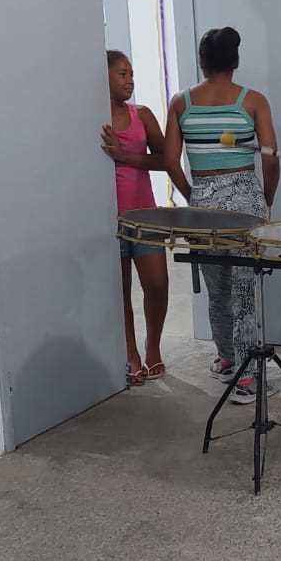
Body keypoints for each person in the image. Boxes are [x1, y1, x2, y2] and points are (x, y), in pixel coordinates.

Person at [164, 27, 280, 404]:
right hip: (245, 200)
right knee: (245, 290)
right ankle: (247, 378)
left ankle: (226, 358)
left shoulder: (181, 103)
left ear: (202, 60)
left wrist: (194, 195)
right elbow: (269, 156)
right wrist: (266, 198)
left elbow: (169, 160)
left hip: (204, 205)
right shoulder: (253, 101)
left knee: (218, 289)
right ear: (235, 61)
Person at [100, 50, 169, 387]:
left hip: (145, 215)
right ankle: (131, 354)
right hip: (108, 220)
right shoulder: (93, 120)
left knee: (157, 285)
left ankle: (152, 346)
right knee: (120, 291)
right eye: (122, 74)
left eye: (131, 74)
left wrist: (124, 156)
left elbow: (166, 158)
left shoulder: (142, 115)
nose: (129, 81)